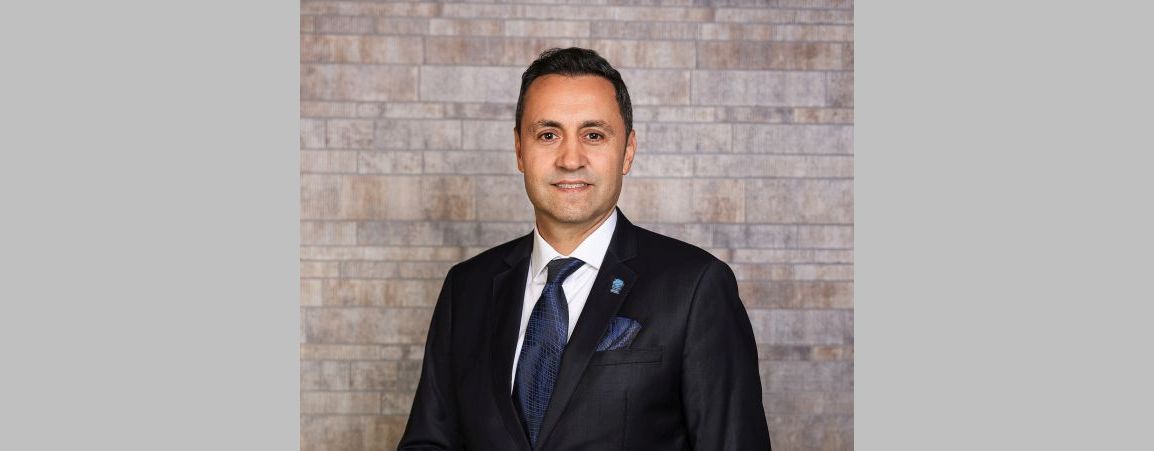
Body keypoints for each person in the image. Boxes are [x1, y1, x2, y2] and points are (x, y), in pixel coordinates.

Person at [398, 47, 771, 450]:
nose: (570, 159)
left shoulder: (696, 287)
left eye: (593, 135)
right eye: (548, 135)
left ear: (627, 151)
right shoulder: (466, 287)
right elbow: (429, 442)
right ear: (520, 150)